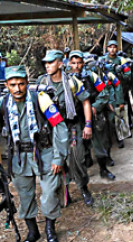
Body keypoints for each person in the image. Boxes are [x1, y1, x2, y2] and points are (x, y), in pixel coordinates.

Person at [1, 65, 69, 242]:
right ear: (7, 85)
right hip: (18, 157)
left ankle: (50, 228)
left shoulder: (40, 99)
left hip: (44, 153)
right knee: (24, 195)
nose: (17, 88)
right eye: (13, 84)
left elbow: (60, 127)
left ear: (26, 83)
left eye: (21, 84)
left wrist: (58, 157)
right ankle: (33, 231)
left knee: (49, 193)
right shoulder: (3, 103)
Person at [36, 50, 95, 203]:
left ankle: (83, 188)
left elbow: (85, 102)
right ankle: (64, 193)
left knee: (77, 158)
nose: (47, 65)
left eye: (51, 62)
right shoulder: (41, 83)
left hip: (71, 126)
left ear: (60, 64)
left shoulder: (72, 82)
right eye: (46, 63)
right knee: (56, 162)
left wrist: (88, 125)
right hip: (51, 129)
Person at [69, 50, 115, 182]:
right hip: (77, 117)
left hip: (94, 115)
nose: (76, 66)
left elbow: (104, 92)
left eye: (79, 63)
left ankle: (103, 169)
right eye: (73, 63)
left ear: (83, 63)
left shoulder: (91, 76)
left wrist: (96, 106)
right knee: (79, 145)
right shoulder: (68, 80)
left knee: (100, 143)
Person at [100, 40, 132, 149]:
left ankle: (120, 138)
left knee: (118, 116)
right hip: (105, 90)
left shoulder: (121, 60)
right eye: (110, 47)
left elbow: (128, 75)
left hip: (119, 89)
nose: (112, 49)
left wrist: (120, 74)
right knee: (108, 119)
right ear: (107, 48)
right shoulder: (102, 60)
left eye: (114, 47)